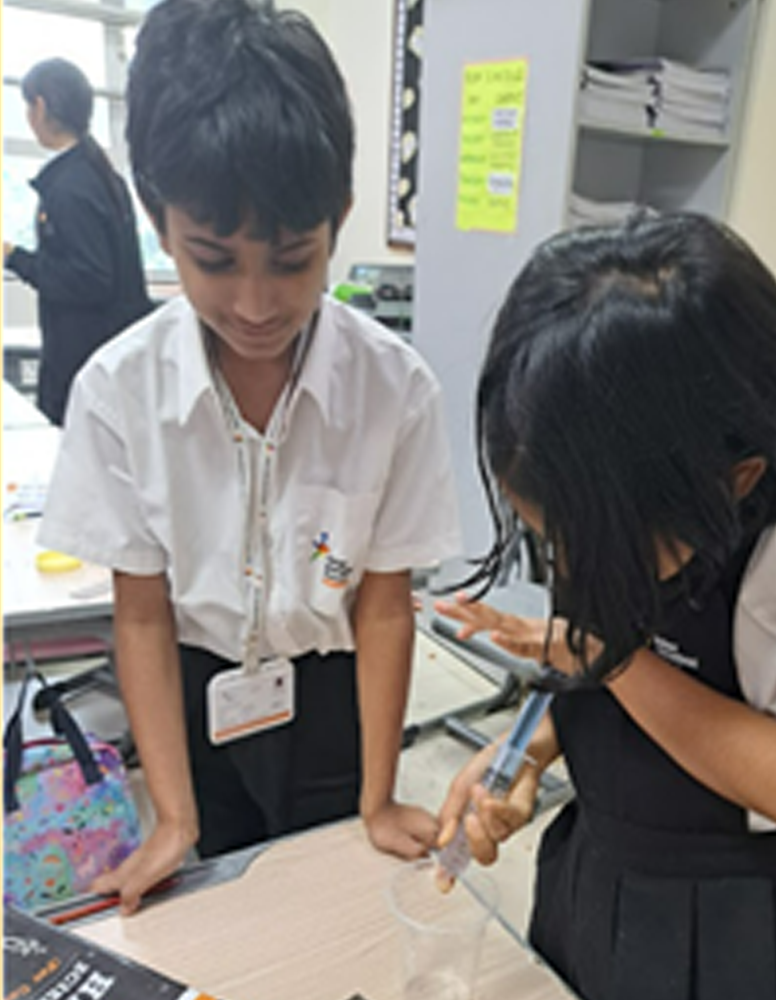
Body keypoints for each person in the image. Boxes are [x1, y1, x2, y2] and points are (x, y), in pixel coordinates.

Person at [434, 212, 776, 1000]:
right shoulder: (601, 471)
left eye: (596, 545)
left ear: (736, 481)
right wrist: (528, 752)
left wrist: (599, 659)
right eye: (552, 539)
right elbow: (602, 666)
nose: (572, 566)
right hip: (598, 867)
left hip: (747, 914)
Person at [38, 0, 461, 914]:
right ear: (158, 217)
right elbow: (142, 614)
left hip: (333, 691)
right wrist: (170, 820)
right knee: (220, 904)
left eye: (293, 258)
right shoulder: (120, 390)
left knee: (337, 897)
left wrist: (380, 795)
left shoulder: (396, 387)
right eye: (215, 260)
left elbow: (386, 602)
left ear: (338, 219)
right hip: (197, 687)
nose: (259, 302)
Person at [3, 58, 153, 426]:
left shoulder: (71, 188)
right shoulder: (96, 174)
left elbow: (89, 279)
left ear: (39, 107)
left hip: (83, 358)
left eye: (27, 106)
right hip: (107, 354)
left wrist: (15, 258)